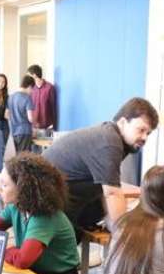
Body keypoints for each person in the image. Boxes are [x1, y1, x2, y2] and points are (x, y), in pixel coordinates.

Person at [43, 97, 158, 240]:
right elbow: (112, 193)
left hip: (63, 198)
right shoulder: (110, 143)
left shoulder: (111, 136)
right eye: (141, 130)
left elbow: (107, 190)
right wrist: (125, 237)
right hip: (48, 204)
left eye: (149, 133)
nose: (145, 137)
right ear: (122, 122)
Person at [7, 75, 35, 153]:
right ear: (29, 86)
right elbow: (31, 118)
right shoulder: (27, 98)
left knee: (18, 156)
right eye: (32, 89)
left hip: (14, 131)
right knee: (25, 157)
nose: (32, 91)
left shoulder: (11, 97)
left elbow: (6, 115)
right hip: (25, 131)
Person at [27, 64, 56, 130]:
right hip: (33, 126)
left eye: (28, 76)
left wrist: (53, 124)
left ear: (34, 75)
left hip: (47, 126)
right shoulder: (30, 89)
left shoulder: (50, 87)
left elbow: (53, 107)